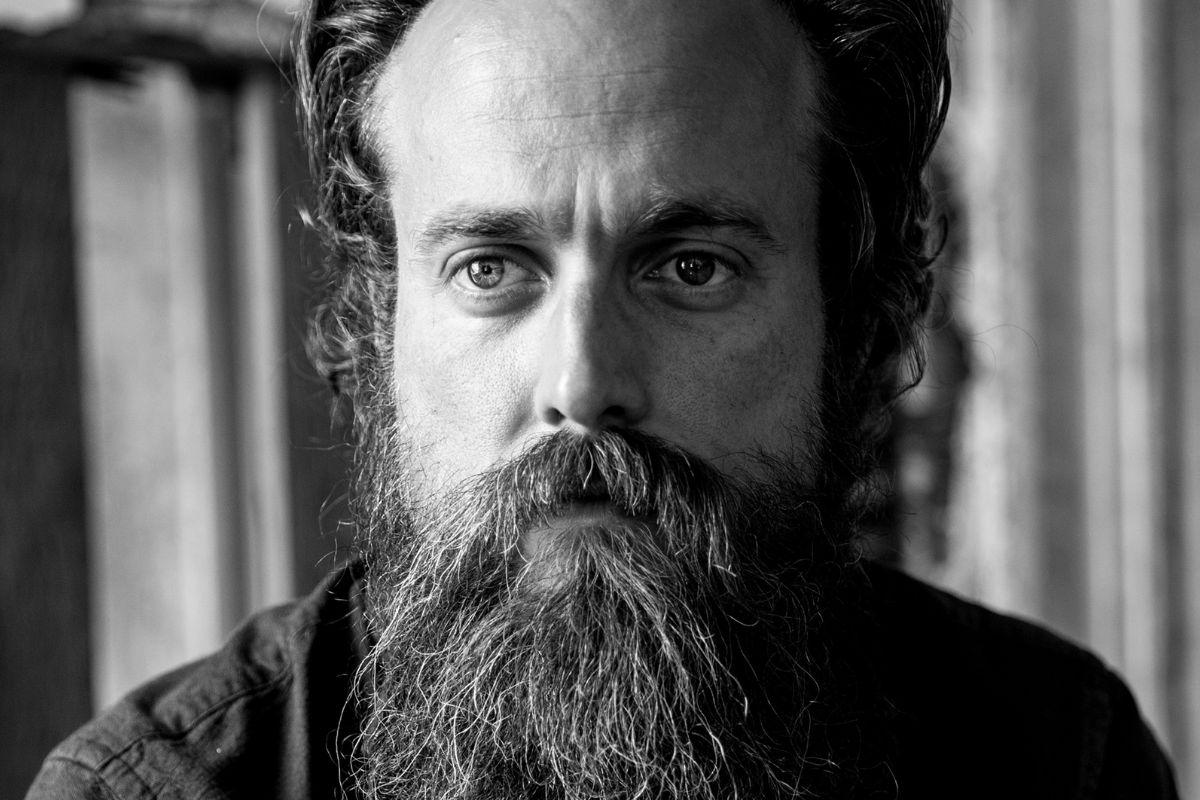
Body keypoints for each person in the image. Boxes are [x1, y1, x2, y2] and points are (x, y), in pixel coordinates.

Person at [27, 0, 1180, 797]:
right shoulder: (159, 788)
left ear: (857, 313)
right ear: (381, 317)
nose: (581, 382)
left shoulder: (1053, 753)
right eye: (491, 269)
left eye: (691, 267)